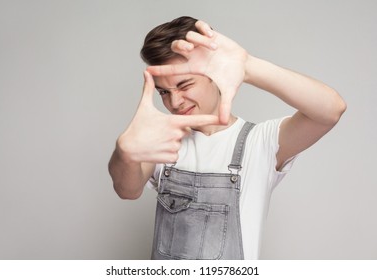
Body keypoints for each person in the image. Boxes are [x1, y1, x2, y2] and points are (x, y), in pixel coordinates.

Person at [108, 16, 346, 259]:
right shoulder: (164, 142)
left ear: (215, 75)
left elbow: (330, 110)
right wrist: (123, 153)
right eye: (164, 92)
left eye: (185, 85)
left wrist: (248, 66)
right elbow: (128, 189)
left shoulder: (259, 142)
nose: (174, 102)